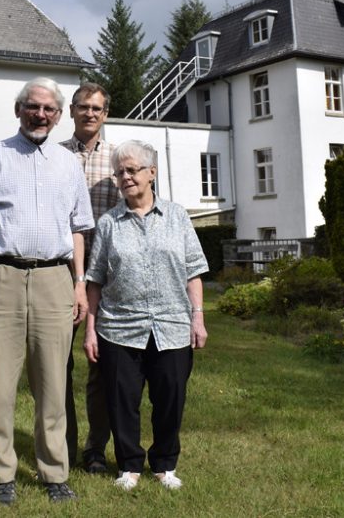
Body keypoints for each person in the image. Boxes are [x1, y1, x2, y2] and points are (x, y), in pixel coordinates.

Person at [0, 77, 94, 506]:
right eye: (33, 107)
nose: (41, 115)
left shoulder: (69, 164)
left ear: (59, 115)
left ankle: (54, 472)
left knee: (53, 381)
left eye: (50, 109)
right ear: (19, 110)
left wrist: (79, 283)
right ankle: (2, 474)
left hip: (55, 279)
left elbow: (77, 229)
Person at [83, 140, 209, 491]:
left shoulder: (177, 216)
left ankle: (164, 464)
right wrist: (91, 330)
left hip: (171, 325)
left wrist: (197, 318)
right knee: (122, 400)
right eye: (119, 172)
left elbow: (193, 271)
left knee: (170, 397)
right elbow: (95, 280)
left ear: (152, 173)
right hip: (119, 327)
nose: (125, 177)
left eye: (132, 170)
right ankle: (129, 466)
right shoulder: (109, 223)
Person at [58, 82, 120, 474]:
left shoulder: (119, 159)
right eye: (83, 107)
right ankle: (61, 444)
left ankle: (95, 448)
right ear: (72, 111)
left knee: (103, 364)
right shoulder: (52, 154)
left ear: (105, 113)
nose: (90, 114)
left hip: (108, 272)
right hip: (59, 269)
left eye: (97, 108)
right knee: (56, 363)